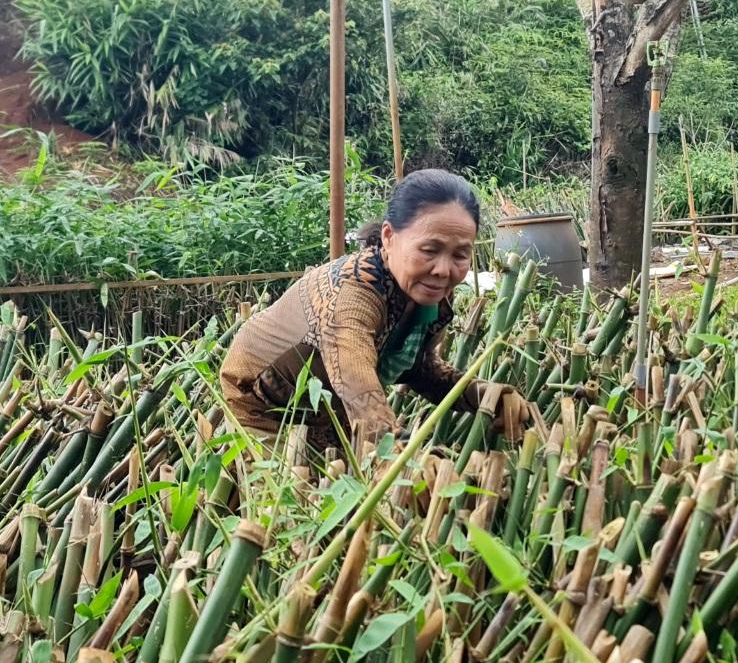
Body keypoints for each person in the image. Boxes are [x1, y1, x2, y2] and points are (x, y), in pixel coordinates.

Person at [220, 168, 531, 451]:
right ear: (388, 237)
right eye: (430, 250)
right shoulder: (351, 294)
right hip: (262, 407)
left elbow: (421, 370)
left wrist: (485, 395)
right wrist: (394, 452)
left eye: (460, 255)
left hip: (325, 409)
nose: (443, 270)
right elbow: (357, 386)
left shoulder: (427, 297)